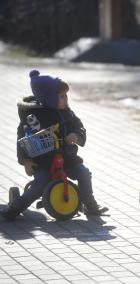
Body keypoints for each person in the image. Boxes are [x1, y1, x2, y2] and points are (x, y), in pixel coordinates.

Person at [0, 70, 108, 222]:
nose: (65, 99)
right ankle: (13, 209)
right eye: (61, 96)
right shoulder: (33, 116)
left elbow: (79, 126)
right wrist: (25, 160)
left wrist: (77, 135)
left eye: (66, 96)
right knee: (40, 184)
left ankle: (89, 205)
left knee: (83, 173)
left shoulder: (67, 113)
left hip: (67, 158)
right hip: (43, 161)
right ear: (49, 98)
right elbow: (23, 138)